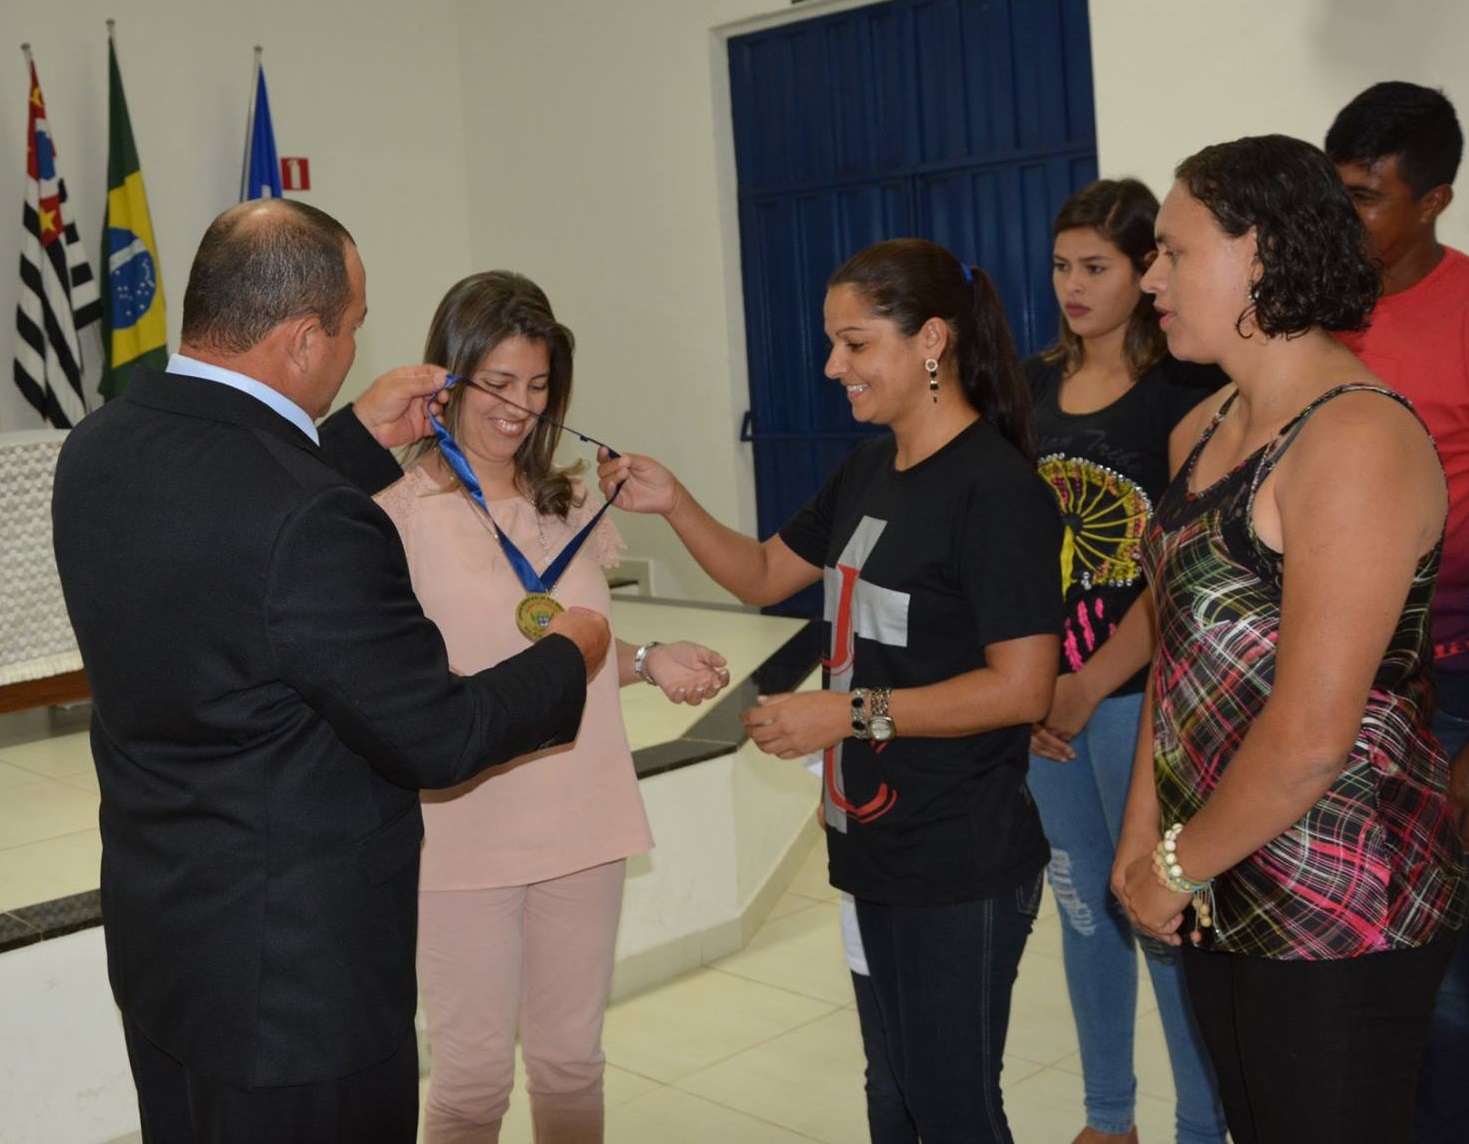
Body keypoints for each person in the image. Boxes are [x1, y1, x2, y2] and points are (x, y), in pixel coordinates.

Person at [51, 200, 609, 1144]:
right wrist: (570, 653)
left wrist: (350, 437)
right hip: (297, 994)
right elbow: (438, 735)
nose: (354, 349)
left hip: (168, 949)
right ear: (304, 337)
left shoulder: (101, 446)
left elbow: (236, 536)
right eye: (351, 327)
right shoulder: (312, 518)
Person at [598, 237, 1062, 1143]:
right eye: (831, 344)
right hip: (872, 842)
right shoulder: (868, 470)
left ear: (931, 341)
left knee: (952, 1108)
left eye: (854, 344)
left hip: (957, 853)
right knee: (892, 1097)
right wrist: (675, 502)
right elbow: (765, 572)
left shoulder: (995, 492)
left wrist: (845, 713)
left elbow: (1021, 689)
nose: (831, 367)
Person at [1113, 135, 1467, 1144]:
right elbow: (1178, 659)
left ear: (1259, 253)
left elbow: (1313, 736)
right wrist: (1144, 837)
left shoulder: (1353, 439)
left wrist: (1174, 864)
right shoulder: (1200, 430)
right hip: (1222, 866)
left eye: (1173, 252)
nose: (1149, 279)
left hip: (1339, 899)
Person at [375, 270, 729, 1144]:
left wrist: (645, 658)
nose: (520, 409)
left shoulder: (565, 500)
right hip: (463, 827)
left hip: (583, 815)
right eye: (499, 383)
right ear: (448, 377)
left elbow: (568, 651)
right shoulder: (392, 516)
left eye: (538, 387)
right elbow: (397, 687)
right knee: (471, 1082)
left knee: (571, 1064)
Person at [1024, 178, 1225, 1144]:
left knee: (1159, 918)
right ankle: (1108, 1119)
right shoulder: (1028, 388)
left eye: (1095, 267)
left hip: (1133, 701)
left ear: (1146, 269)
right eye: (1061, 266)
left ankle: (1198, 1127)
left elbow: (1175, 572)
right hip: (1046, 702)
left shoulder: (1183, 390)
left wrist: (1088, 684)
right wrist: (1032, 685)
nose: (1073, 285)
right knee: (1080, 911)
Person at [1324, 82, 1469, 1143]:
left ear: (1432, 201)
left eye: (1366, 197)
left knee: (1445, 988)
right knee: (1351, 963)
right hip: (1332, 679)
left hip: (1451, 681)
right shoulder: (1315, 312)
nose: (1344, 217)